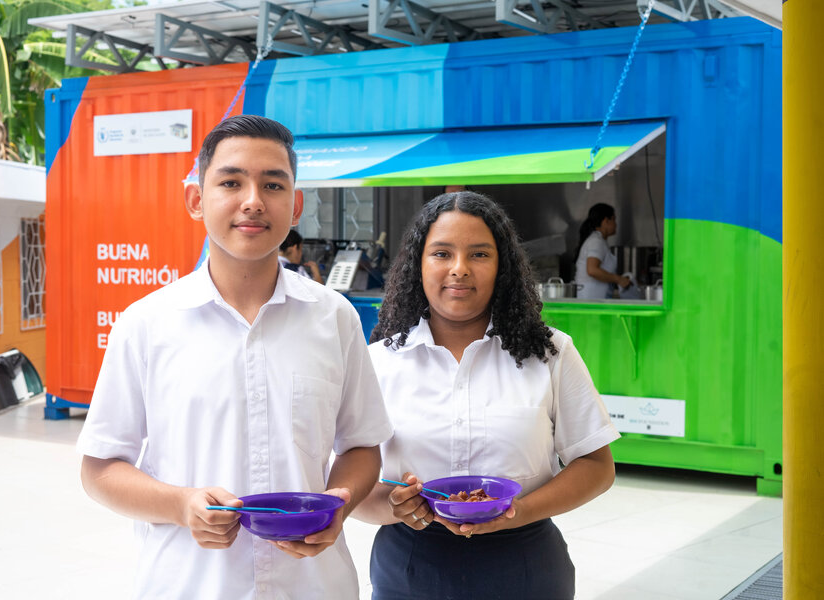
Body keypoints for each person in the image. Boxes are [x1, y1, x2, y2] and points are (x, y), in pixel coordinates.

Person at [76, 114, 392, 599]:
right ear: (196, 200)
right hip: (189, 585)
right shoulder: (147, 323)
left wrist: (338, 506)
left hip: (311, 585)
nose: (253, 201)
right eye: (230, 182)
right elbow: (99, 470)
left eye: (272, 184)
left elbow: (362, 446)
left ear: (295, 205)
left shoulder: (334, 318)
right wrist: (180, 504)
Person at [354, 191, 619, 599]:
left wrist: (519, 512)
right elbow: (352, 484)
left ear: (503, 267)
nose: (459, 270)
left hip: (526, 563)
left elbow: (597, 466)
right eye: (441, 253)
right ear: (417, 265)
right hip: (410, 563)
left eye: (479, 254)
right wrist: (393, 506)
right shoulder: (378, 362)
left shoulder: (550, 352)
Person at [574, 202, 631, 299]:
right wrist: (618, 279)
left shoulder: (598, 240)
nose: (615, 224)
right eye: (614, 219)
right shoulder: (596, 242)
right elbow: (592, 270)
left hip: (595, 300)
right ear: (606, 221)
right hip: (591, 302)